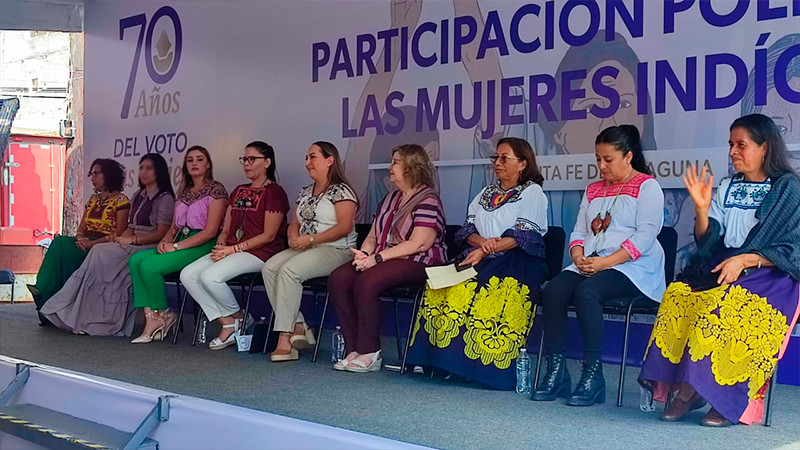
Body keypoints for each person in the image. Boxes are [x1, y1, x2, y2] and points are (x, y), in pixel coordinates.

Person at [640, 114, 800, 427]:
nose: (732, 151)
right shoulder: (728, 186)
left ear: (764, 148)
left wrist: (748, 259)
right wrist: (701, 210)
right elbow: (709, 240)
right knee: (679, 295)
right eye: (731, 145)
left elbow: (793, 248)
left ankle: (718, 396)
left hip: (773, 275)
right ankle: (689, 390)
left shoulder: (788, 189)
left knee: (727, 301)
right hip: (725, 265)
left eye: (741, 145)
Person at [532, 125, 665, 406]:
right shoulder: (593, 190)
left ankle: (593, 375)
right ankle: (556, 372)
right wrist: (578, 255)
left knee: (587, 293)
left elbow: (645, 236)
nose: (601, 166)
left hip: (632, 266)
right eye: (598, 159)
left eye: (608, 159)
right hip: (592, 261)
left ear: (628, 157)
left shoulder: (647, 186)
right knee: (554, 291)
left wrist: (605, 261)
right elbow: (579, 232)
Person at [406, 137, 548, 390]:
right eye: (496, 157)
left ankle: (472, 368)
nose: (498, 163)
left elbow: (525, 235)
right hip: (480, 253)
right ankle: (435, 362)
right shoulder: (486, 192)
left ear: (523, 163)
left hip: (515, 261)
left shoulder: (532, 193)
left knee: (473, 288)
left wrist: (486, 249)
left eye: (505, 158)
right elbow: (466, 230)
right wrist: (482, 244)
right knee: (439, 286)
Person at [328, 144, 447, 373]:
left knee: (367, 281)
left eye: (395, 162)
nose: (389, 167)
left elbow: (419, 243)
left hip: (419, 261)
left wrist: (377, 259)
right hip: (384, 259)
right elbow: (373, 234)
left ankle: (370, 351)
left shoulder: (428, 199)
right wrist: (364, 254)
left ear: (412, 166)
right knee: (339, 278)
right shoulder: (390, 198)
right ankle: (353, 348)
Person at [40, 154, 174, 335]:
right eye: (141, 168)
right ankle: (64, 306)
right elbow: (129, 228)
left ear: (159, 171)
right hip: (129, 241)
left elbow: (160, 233)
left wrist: (128, 240)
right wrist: (121, 239)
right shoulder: (138, 196)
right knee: (69, 245)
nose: (143, 172)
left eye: (149, 168)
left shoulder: (163, 198)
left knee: (100, 252)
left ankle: (97, 318)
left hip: (148, 245)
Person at [181, 142, 289, 350]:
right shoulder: (240, 190)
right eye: (244, 159)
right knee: (188, 275)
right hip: (231, 248)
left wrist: (233, 249)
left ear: (267, 162)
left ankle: (237, 318)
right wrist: (222, 241)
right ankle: (230, 320)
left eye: (252, 159)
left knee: (210, 277)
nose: (247, 164)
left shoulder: (274, 192)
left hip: (259, 252)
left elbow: (269, 235)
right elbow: (226, 226)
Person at [262, 141, 357, 361]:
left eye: (312, 157)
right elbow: (294, 221)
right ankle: (298, 324)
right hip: (307, 247)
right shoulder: (306, 190)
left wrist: (311, 239)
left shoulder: (342, 191)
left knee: (289, 271)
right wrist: (292, 235)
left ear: (329, 160)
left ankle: (285, 337)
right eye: (306, 158)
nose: (307, 163)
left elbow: (344, 227)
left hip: (336, 250)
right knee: (269, 268)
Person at [128, 146, 228, 343]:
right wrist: (165, 240)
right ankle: (152, 317)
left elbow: (211, 231)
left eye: (199, 159)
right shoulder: (183, 192)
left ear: (208, 165)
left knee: (149, 267)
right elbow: (174, 226)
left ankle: (164, 314)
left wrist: (177, 247)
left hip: (202, 243)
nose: (194, 163)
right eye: (190, 160)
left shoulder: (217, 190)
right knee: (135, 260)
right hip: (180, 239)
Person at [28, 158, 130, 319]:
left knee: (66, 253)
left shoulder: (121, 201)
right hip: (86, 241)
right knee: (60, 242)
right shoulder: (93, 199)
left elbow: (118, 233)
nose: (92, 177)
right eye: (91, 174)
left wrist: (91, 244)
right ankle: (43, 290)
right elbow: (82, 226)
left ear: (109, 175)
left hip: (103, 246)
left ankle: (46, 295)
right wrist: (80, 237)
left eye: (96, 174)